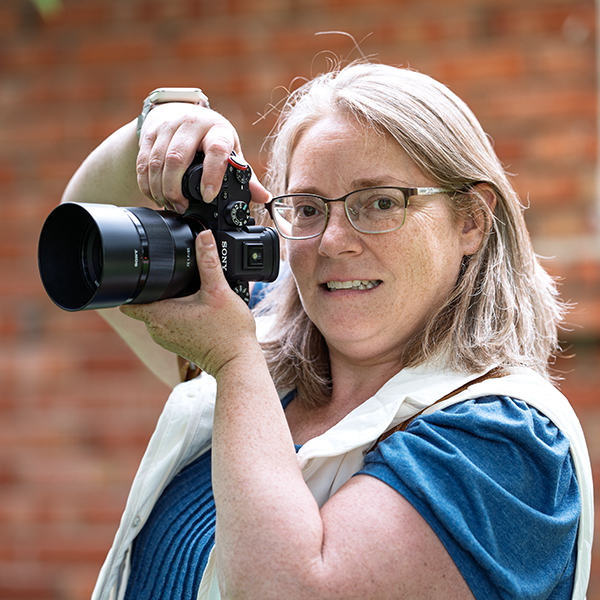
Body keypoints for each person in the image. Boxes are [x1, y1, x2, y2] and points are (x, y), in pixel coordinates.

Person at [61, 61, 593, 600]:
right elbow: (86, 212)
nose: (334, 242)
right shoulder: (262, 343)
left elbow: (288, 589)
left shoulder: (505, 440)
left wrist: (234, 364)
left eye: (380, 202)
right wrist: (167, 128)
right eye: (310, 208)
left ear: (471, 221)